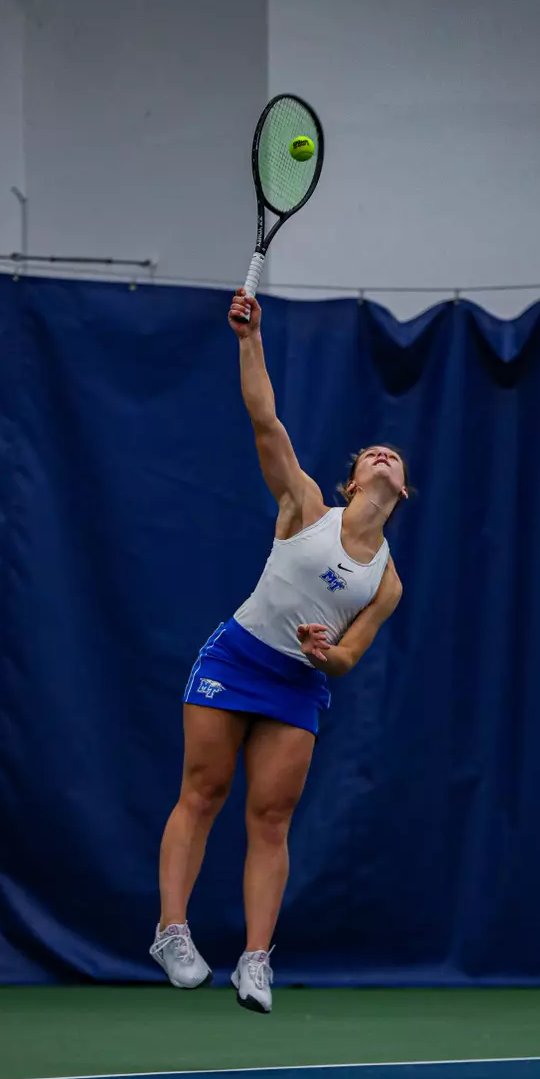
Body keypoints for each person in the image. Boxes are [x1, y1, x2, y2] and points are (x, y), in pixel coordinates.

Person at [150, 289, 408, 1013]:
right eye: (369, 455)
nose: (382, 455)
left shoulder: (384, 583)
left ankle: (254, 962)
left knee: (269, 819)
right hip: (235, 659)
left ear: (399, 489)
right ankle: (172, 932)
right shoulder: (302, 505)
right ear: (351, 481)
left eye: (393, 457)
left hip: (296, 684)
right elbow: (264, 416)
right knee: (202, 793)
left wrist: (325, 653)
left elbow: (350, 659)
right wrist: (248, 339)